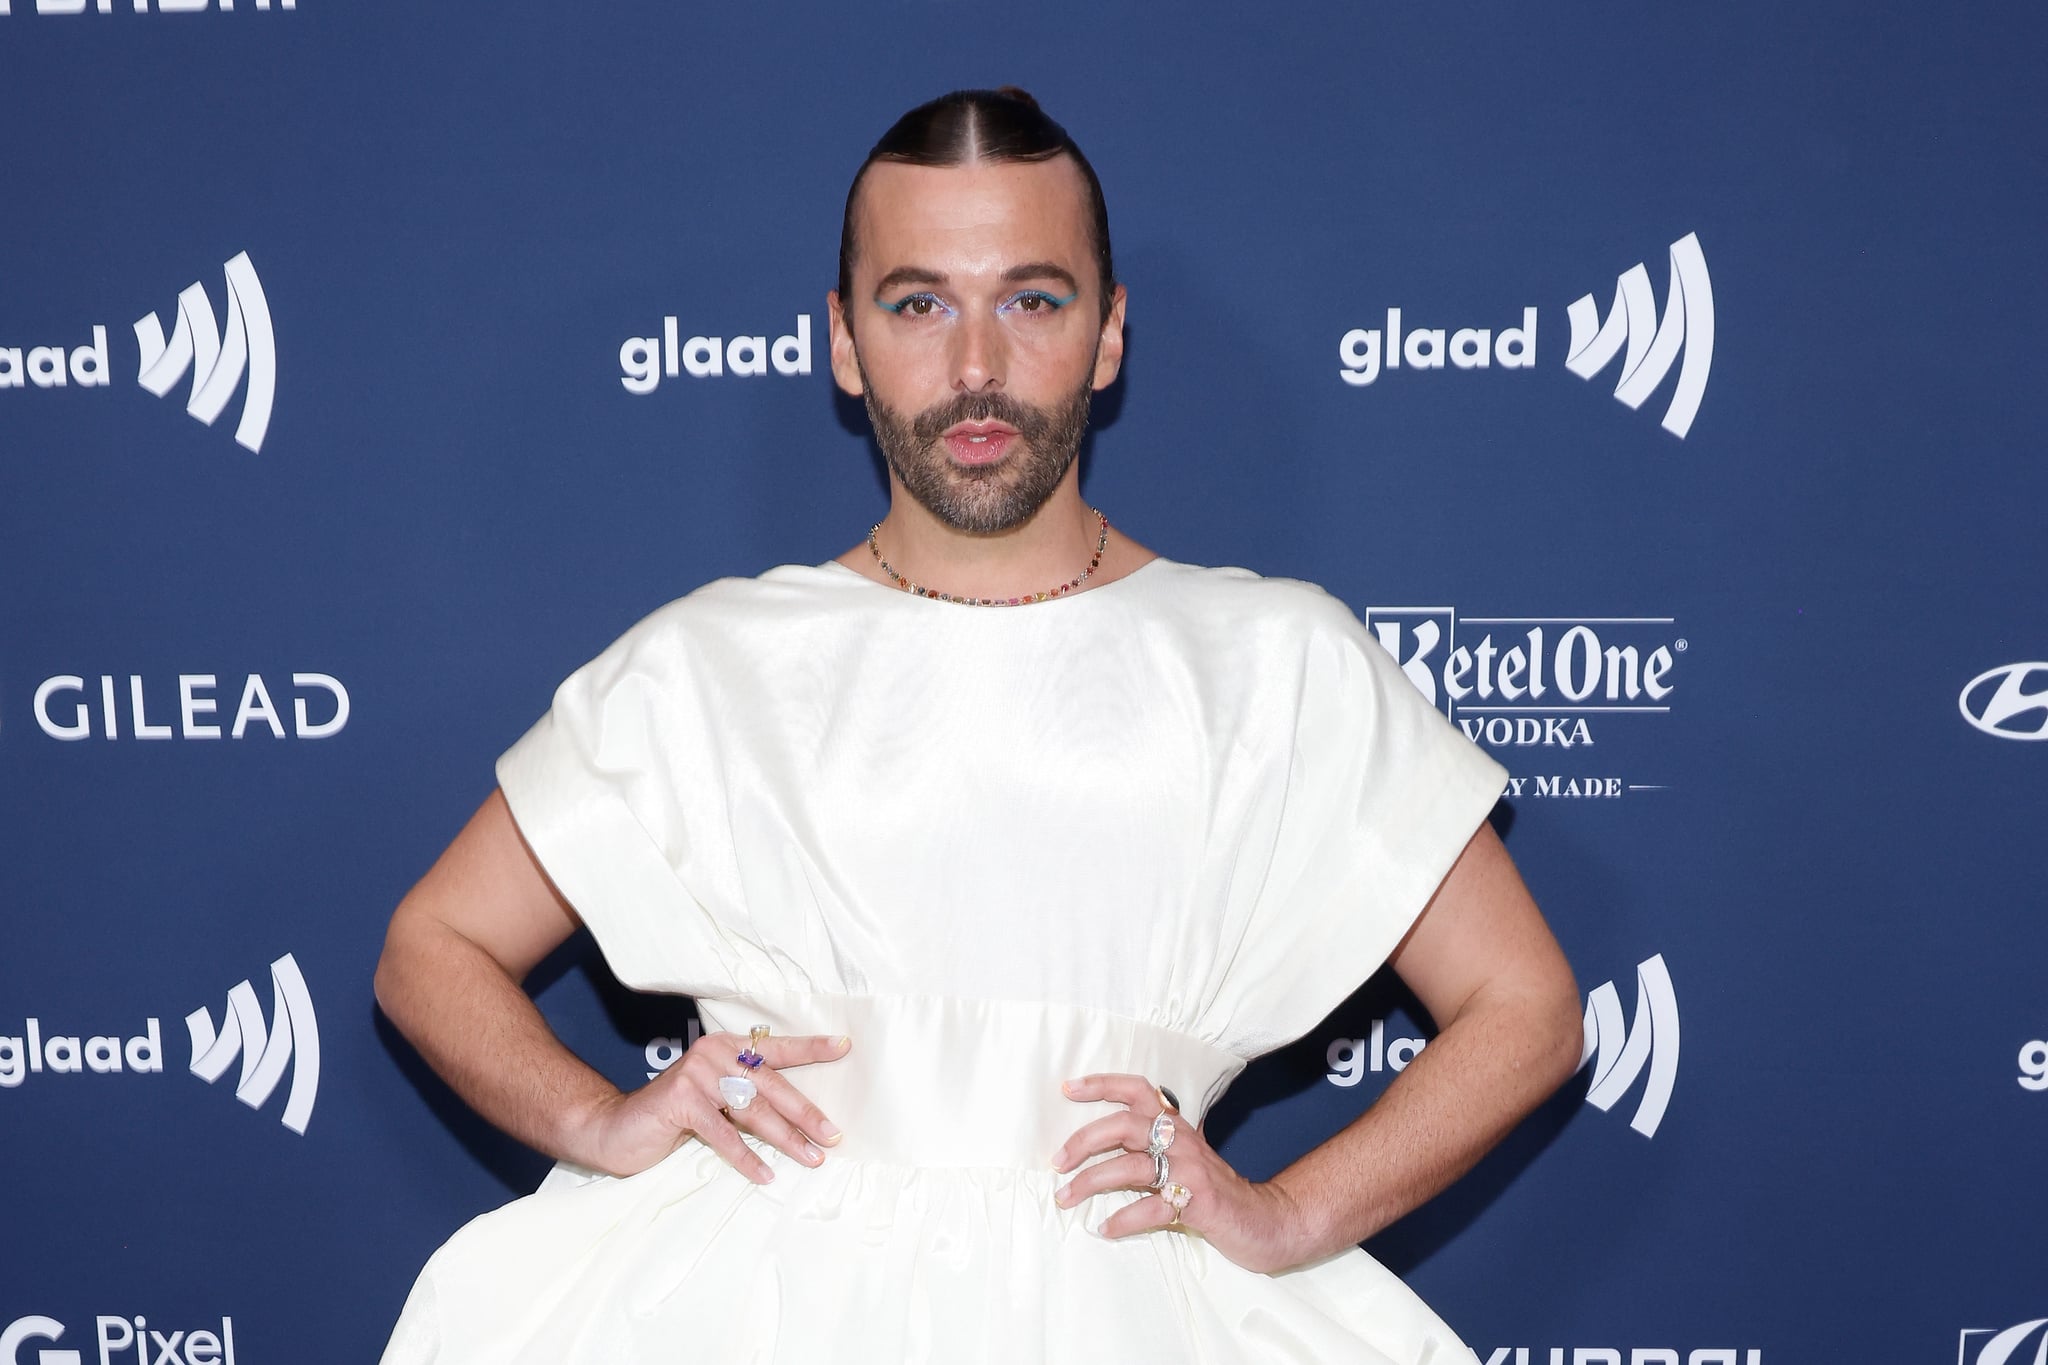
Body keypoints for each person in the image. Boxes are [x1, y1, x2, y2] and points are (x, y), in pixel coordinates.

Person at [375, 87, 1583, 1364]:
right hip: (742, 1307)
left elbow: (1527, 1009)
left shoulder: (1274, 664)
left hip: (1135, 1308)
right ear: (842, 343)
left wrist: (1288, 1216)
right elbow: (430, 946)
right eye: (917, 303)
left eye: (1031, 299)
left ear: (1108, 335)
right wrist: (600, 1121)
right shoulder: (712, 662)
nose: (973, 367)